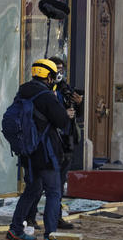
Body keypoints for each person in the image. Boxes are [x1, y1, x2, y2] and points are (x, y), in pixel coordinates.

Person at [6, 59, 72, 240]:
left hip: (27, 153)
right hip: (46, 153)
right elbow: (62, 122)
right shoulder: (46, 96)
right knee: (53, 192)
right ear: (50, 77)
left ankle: (16, 228)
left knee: (32, 189)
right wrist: (65, 113)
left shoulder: (22, 92)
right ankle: (50, 235)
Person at [26, 56, 82, 230]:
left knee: (58, 185)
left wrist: (78, 104)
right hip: (46, 145)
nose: (59, 73)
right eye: (56, 69)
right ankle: (30, 218)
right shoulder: (43, 90)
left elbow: (74, 114)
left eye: (61, 69)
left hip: (65, 141)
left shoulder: (64, 88)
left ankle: (55, 218)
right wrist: (64, 114)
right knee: (38, 186)